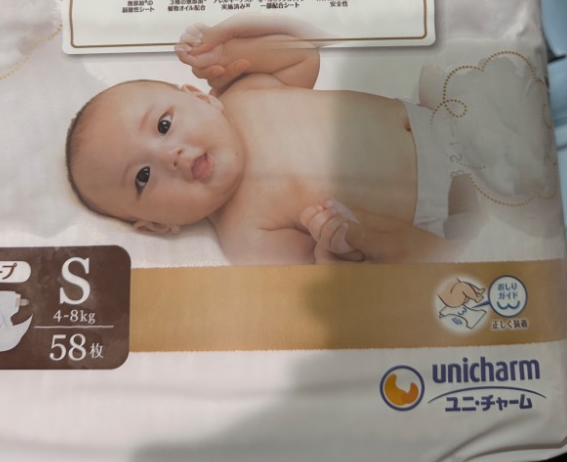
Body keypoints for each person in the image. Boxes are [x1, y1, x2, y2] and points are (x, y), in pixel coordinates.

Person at [65, 14, 477, 278]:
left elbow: (299, 57)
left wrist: (227, 50)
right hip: (439, 200)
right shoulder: (247, 238)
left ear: (198, 97)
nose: (169, 156)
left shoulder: (243, 94)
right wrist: (337, 249)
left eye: (164, 125)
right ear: (156, 224)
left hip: (433, 116)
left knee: (471, 84)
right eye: (143, 176)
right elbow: (317, 274)